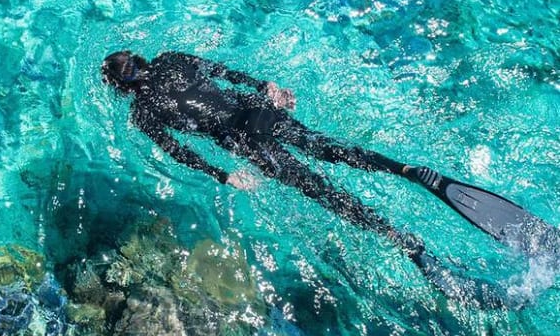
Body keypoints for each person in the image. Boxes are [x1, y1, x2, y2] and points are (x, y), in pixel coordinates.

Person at [101, 50, 444, 266]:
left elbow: (178, 151)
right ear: (138, 59)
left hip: (243, 139)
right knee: (328, 147)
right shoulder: (169, 59)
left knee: (320, 188)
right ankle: (403, 169)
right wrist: (266, 87)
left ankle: (394, 236)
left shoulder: (142, 113)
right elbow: (222, 71)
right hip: (256, 109)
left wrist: (223, 175)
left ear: (121, 87)